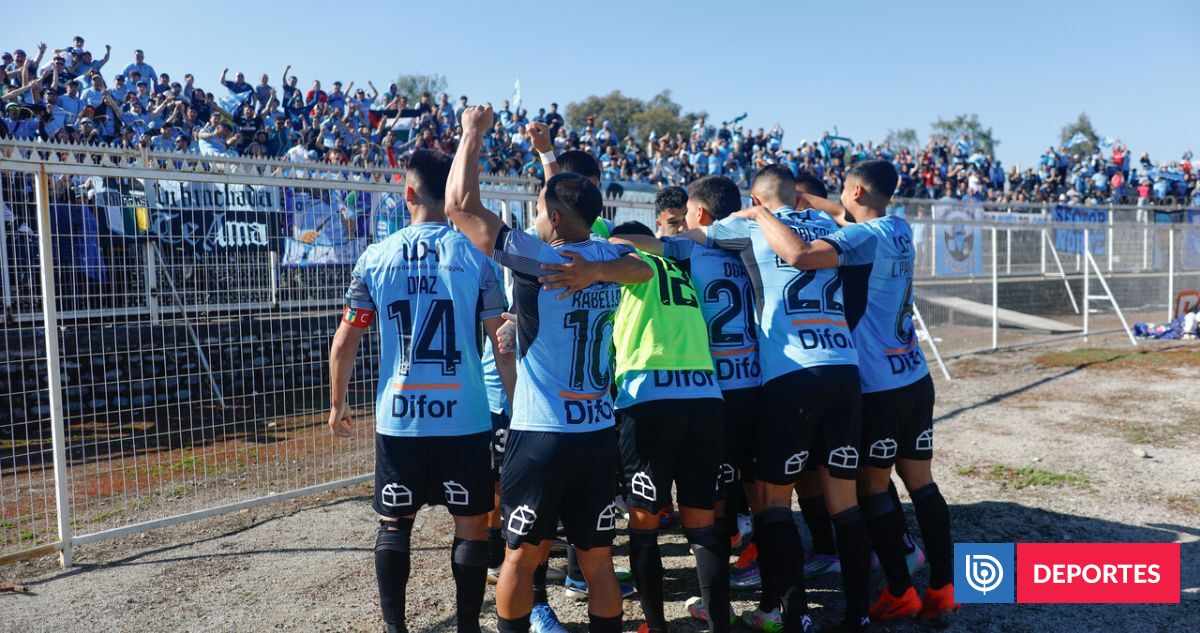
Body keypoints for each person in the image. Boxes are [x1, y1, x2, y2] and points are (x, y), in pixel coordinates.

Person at [446, 104, 651, 633]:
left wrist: (471, 135)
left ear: (554, 220)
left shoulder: (540, 258)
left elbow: (459, 207)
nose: (535, 216)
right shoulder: (607, 256)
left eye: (539, 209)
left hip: (542, 433)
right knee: (598, 560)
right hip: (596, 432)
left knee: (520, 557)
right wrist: (546, 158)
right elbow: (642, 269)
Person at [742, 159, 958, 622]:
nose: (838, 196)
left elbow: (801, 255)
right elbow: (843, 213)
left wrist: (762, 212)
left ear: (856, 191)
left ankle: (899, 589)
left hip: (878, 383)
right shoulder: (898, 227)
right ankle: (943, 585)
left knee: (872, 489)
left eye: (843, 188)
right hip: (914, 374)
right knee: (922, 484)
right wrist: (803, 200)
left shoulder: (861, 238)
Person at [327, 148, 515, 633]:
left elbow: (346, 340)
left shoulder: (375, 257)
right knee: (471, 524)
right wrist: (517, 405)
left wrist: (337, 403)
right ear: (448, 193)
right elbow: (502, 342)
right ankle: (469, 627)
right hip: (465, 416)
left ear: (407, 191)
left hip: (400, 417)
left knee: (394, 524)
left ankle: (396, 628)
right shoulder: (476, 257)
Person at [679, 165, 873, 632]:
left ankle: (790, 615)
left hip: (791, 372)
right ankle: (859, 615)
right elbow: (854, 226)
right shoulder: (829, 224)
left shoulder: (748, 224)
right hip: (844, 367)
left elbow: (689, 237)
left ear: (755, 199)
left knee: (771, 501)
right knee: (844, 502)